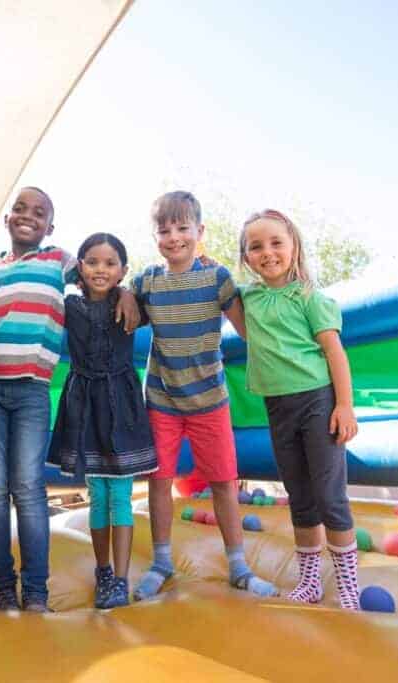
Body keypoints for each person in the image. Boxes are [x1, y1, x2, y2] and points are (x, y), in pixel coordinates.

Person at [0, 187, 139, 612]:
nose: (28, 216)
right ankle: (2, 589)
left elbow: (101, 272)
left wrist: (126, 292)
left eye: (39, 212)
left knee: (29, 487)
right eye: (20, 208)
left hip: (31, 389)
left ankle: (35, 590)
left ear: (49, 227)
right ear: (7, 219)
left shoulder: (58, 261)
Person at [131, 191, 278, 601]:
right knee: (159, 481)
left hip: (209, 399)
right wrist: (123, 295)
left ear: (200, 231)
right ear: (155, 235)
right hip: (162, 398)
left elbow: (249, 330)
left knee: (223, 483)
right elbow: (125, 302)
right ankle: (161, 561)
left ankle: (239, 566)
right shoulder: (147, 281)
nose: (173, 237)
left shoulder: (217, 279)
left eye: (182, 228)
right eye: (164, 230)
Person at [238, 208, 361, 610]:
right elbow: (233, 312)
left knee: (329, 494)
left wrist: (344, 406)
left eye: (277, 243)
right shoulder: (250, 299)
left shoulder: (310, 298)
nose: (267, 252)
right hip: (279, 407)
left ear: (294, 247)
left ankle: (347, 584)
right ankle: (309, 580)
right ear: (245, 256)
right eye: (255, 247)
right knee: (299, 495)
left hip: (317, 402)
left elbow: (334, 353)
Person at [47, 232, 158, 609]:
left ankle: (121, 579)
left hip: (122, 404)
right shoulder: (71, 302)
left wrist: (127, 291)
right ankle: (103, 570)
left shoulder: (130, 305)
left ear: (122, 270)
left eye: (111, 264)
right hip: (86, 406)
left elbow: (155, 292)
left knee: (120, 496)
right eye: (92, 262)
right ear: (80, 267)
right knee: (98, 495)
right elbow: (59, 268)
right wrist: (76, 274)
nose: (100, 269)